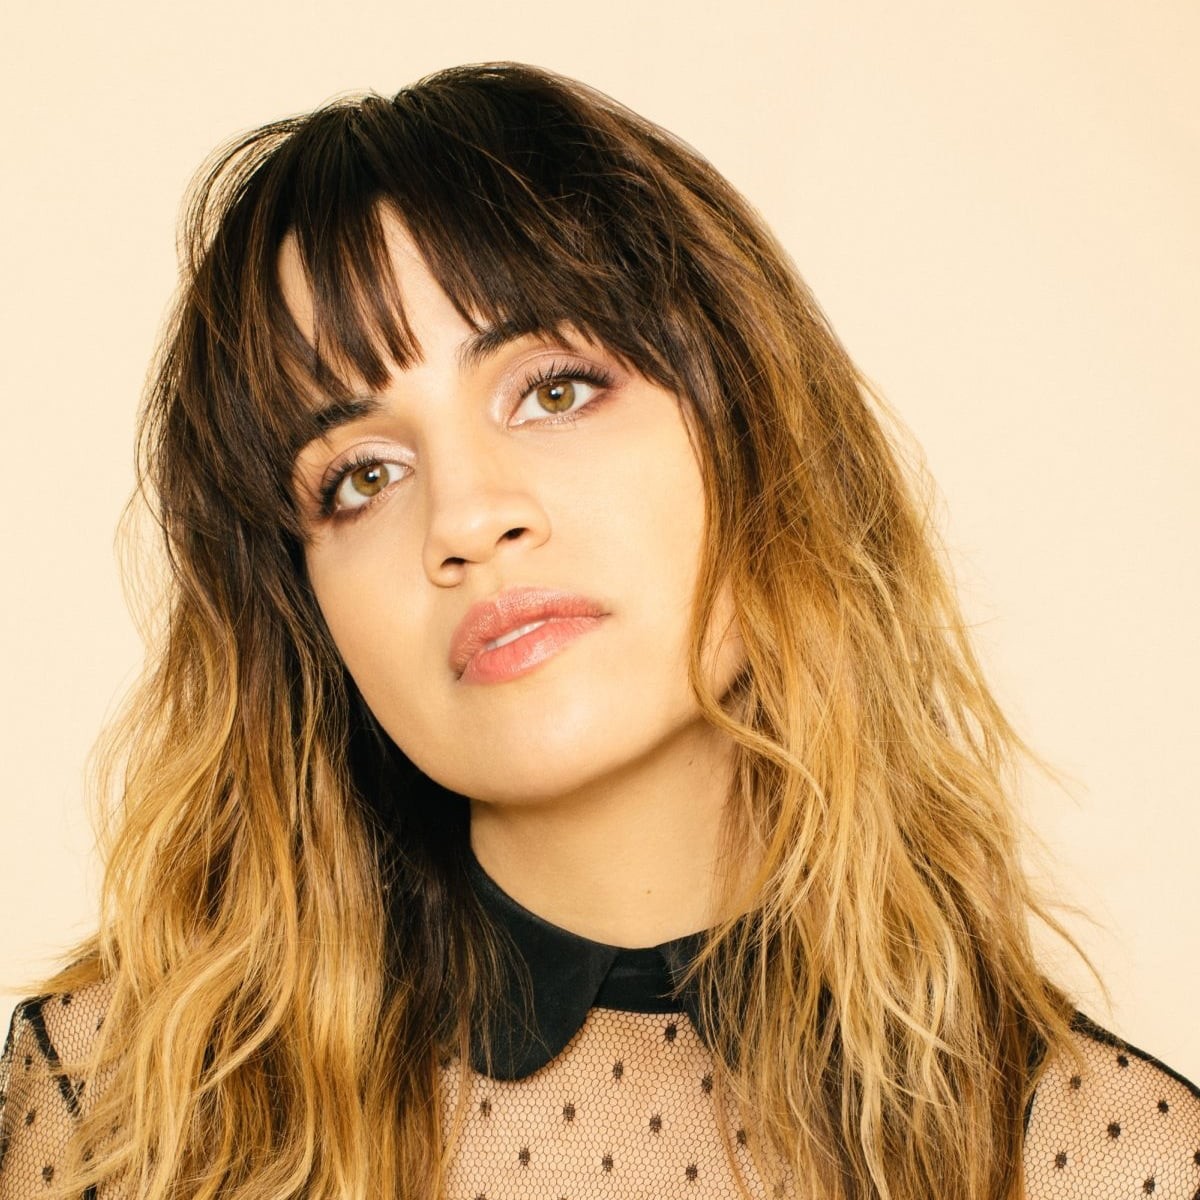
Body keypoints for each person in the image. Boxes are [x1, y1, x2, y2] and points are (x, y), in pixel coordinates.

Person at [0, 60, 1196, 1200]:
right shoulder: (121, 1112)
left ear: (753, 423)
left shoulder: (1098, 1161)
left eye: (554, 390)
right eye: (361, 475)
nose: (467, 519)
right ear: (301, 609)